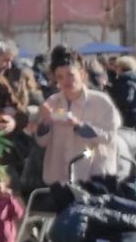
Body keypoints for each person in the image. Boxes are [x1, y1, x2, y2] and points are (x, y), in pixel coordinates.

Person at [35, 52, 120, 186]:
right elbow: (41, 141)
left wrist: (79, 126)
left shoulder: (101, 102)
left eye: (70, 75)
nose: (66, 81)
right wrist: (45, 122)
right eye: (60, 77)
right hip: (60, 177)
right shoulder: (52, 102)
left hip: (94, 174)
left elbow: (109, 136)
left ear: (82, 74)